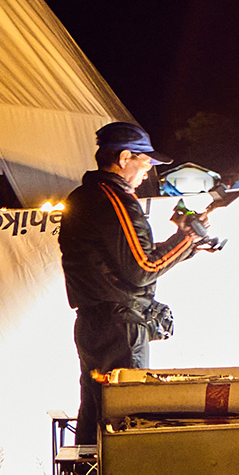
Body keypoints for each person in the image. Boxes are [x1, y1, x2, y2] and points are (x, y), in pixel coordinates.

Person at [59, 120, 215, 445]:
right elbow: (142, 269)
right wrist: (186, 238)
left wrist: (184, 244)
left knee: (95, 410)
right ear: (125, 157)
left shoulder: (83, 196)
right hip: (120, 326)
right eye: (145, 163)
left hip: (95, 322)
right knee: (125, 415)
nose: (148, 172)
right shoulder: (113, 199)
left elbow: (128, 262)